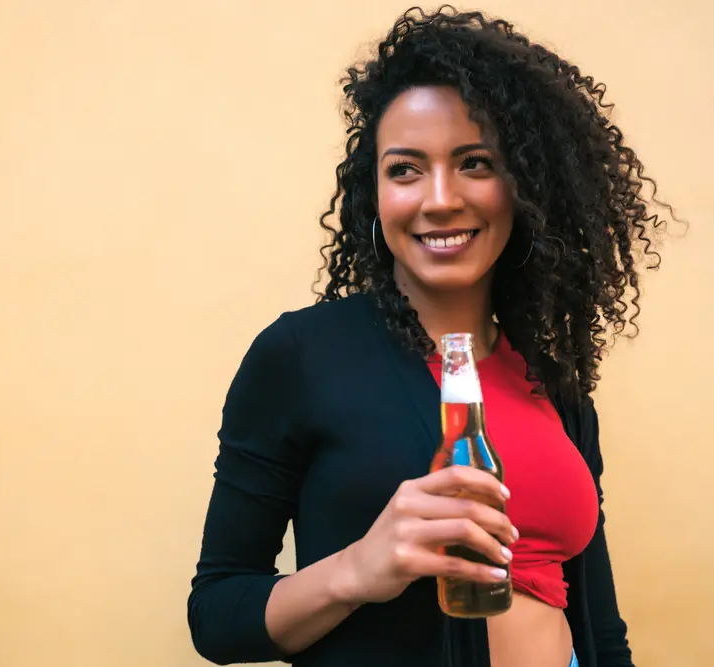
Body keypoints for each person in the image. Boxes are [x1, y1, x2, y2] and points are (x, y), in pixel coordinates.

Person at [188, 6, 675, 667]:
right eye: (406, 169)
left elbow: (601, 626)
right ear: (374, 193)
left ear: (524, 188)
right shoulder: (301, 356)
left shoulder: (553, 382)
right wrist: (360, 567)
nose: (439, 198)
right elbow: (216, 615)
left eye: (475, 162)